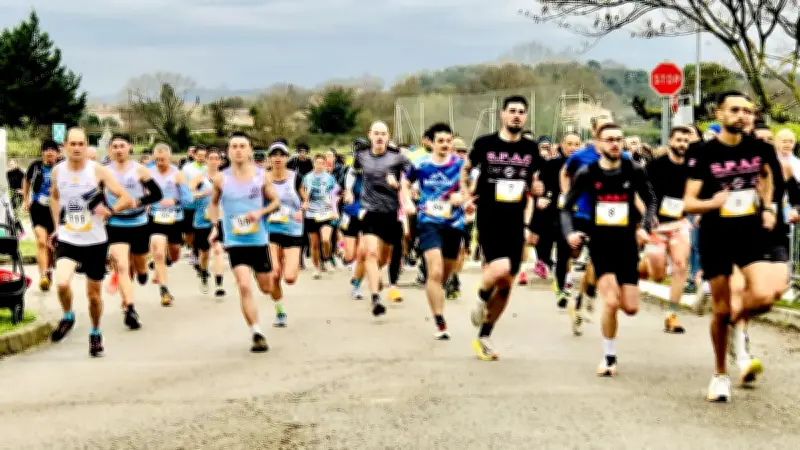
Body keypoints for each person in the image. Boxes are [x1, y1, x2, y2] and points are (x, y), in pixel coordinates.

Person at [684, 91, 781, 402]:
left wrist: (768, 207)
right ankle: (720, 374)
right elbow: (688, 201)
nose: (743, 115)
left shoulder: (761, 148)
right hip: (716, 234)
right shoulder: (703, 152)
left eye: (748, 111)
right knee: (721, 310)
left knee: (766, 295)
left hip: (750, 229)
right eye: (735, 110)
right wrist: (711, 202)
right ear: (720, 114)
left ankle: (732, 316)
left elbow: (768, 177)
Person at [561, 123, 656, 375]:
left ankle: (586, 287)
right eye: (610, 139)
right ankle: (609, 357)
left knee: (631, 308)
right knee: (611, 302)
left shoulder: (633, 170)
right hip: (600, 243)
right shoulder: (587, 173)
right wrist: (570, 232)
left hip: (627, 244)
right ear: (599, 143)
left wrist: (645, 226)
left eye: (619, 139)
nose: (615, 143)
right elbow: (565, 207)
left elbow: (649, 201)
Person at [462, 95, 545, 360]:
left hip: (515, 219)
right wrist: (466, 196)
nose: (517, 116)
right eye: (512, 111)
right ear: (502, 115)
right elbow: (465, 170)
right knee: (500, 268)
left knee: (507, 284)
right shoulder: (485, 144)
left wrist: (538, 190)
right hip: (489, 216)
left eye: (522, 112)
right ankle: (480, 297)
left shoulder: (531, 149)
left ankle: (484, 335)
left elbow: (536, 182)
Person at [48, 127, 135, 357]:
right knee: (62, 283)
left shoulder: (97, 171)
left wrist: (111, 210)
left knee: (94, 296)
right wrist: (57, 227)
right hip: (68, 237)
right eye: (72, 144)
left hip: (95, 241)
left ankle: (95, 333)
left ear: (87, 146)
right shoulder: (57, 171)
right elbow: (55, 198)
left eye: (81, 144)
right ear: (64, 146)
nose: (77, 148)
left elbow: (127, 198)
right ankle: (68, 316)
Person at [208, 132, 280, 352]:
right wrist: (214, 227)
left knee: (266, 287)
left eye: (242, 146)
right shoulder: (221, 179)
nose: (238, 150)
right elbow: (213, 204)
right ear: (228, 152)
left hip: (258, 240)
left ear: (249, 151)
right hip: (235, 241)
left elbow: (276, 201)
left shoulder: (261, 176)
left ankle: (275, 293)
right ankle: (256, 332)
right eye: (234, 146)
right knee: (244, 285)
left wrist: (261, 212)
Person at [403, 123, 467, 339]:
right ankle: (439, 320)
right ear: (430, 143)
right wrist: (407, 204)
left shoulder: (460, 165)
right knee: (436, 271)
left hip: (453, 223)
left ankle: (437, 290)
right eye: (440, 141)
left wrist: (464, 197)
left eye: (448, 141)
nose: (445, 145)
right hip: (428, 221)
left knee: (445, 273)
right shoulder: (420, 164)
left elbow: (473, 186)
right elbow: (404, 184)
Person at [346, 121, 410, 316]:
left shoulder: (398, 158)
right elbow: (352, 171)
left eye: (383, 134)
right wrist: (348, 190)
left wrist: (399, 185)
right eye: (376, 134)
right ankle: (375, 298)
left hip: (391, 213)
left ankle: (365, 277)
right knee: (371, 253)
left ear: (388, 135)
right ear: (370, 135)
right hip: (369, 211)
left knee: (382, 259)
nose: (380, 137)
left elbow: (413, 178)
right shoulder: (361, 156)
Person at [104, 134, 163, 330]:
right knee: (121, 265)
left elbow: (157, 194)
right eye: (115, 146)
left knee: (139, 265)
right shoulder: (104, 172)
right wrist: (103, 210)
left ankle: (143, 271)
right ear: (109, 150)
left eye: (122, 145)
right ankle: (130, 308)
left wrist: (138, 202)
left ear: (129, 147)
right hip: (115, 223)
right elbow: (94, 196)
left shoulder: (140, 170)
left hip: (138, 222)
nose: (119, 150)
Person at [642, 126, 692, 334]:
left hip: (679, 224)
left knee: (680, 265)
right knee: (658, 275)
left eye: (686, 141)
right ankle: (640, 266)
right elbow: (642, 192)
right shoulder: (655, 166)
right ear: (670, 141)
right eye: (679, 140)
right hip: (657, 226)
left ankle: (672, 315)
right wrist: (647, 214)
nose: (682, 144)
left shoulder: (692, 167)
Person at [266, 141, 305, 327]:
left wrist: (301, 210)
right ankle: (280, 311)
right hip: (270, 231)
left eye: (281, 154)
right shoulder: (262, 179)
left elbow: (305, 200)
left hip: (292, 230)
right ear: (270, 158)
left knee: (289, 277)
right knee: (273, 274)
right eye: (274, 154)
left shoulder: (296, 178)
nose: (278, 158)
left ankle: (284, 264)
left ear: (287, 157)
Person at [148, 143, 192, 306]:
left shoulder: (177, 174)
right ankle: (164, 290)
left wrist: (174, 200)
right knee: (158, 250)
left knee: (174, 254)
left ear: (169, 157)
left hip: (174, 216)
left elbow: (188, 199)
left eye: (163, 159)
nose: (160, 162)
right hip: (155, 215)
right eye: (157, 159)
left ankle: (166, 260)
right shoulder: (148, 174)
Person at [22, 140, 60, 290]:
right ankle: (43, 275)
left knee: (51, 244)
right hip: (38, 208)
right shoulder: (35, 166)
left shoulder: (62, 166)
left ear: (57, 153)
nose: (49, 152)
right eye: (46, 149)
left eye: (52, 149)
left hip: (56, 210)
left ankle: (48, 270)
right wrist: (26, 199)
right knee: (41, 241)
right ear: (42, 152)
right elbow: (26, 181)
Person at [190, 147, 226, 298]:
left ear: (220, 161)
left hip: (219, 219)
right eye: (210, 158)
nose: (213, 161)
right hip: (201, 220)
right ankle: (204, 272)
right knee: (204, 253)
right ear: (206, 160)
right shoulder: (199, 177)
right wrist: (201, 193)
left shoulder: (225, 178)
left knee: (218, 249)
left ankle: (219, 284)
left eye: (216, 158)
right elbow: (189, 195)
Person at [302, 154, 339, 278]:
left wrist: (334, 207)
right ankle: (316, 268)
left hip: (326, 212)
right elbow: (303, 192)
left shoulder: (330, 178)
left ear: (325, 164)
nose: (319, 165)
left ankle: (327, 258)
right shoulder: (307, 178)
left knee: (325, 239)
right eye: (317, 162)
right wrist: (305, 201)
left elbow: (337, 194)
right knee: (314, 244)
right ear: (313, 164)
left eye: (321, 163)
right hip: (311, 213)